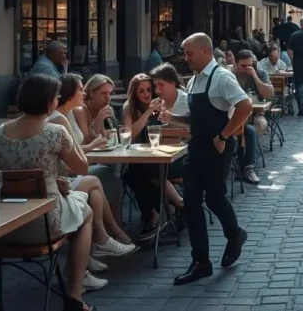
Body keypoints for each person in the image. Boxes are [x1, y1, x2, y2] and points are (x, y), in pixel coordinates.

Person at [0, 75, 134, 308]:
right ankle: (76, 293)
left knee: (82, 199)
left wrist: (53, 178)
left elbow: (6, 172)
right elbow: (82, 168)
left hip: (5, 225)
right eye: (56, 97)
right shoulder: (55, 131)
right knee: (86, 212)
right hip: (44, 223)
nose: (58, 100)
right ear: (49, 101)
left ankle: (90, 260)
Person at [174, 34, 251, 286]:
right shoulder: (194, 80)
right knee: (191, 202)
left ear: (205, 51)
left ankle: (235, 234)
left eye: (189, 53)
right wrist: (171, 118)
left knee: (215, 198)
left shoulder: (222, 77)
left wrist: (224, 136)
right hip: (196, 147)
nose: (186, 58)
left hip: (217, 147)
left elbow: (245, 106)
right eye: (185, 53)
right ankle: (201, 262)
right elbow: (195, 118)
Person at [49, 74, 133, 250]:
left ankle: (102, 242)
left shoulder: (66, 114)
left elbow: (79, 146)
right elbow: (76, 153)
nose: (84, 93)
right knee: (104, 177)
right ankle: (113, 234)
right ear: (70, 94)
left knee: (99, 185)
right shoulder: (62, 117)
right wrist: (92, 145)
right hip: (65, 175)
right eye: (81, 90)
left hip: (68, 171)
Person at [120, 71, 186, 241]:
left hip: (169, 157)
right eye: (141, 91)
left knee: (138, 173)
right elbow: (129, 135)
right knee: (134, 173)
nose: (147, 94)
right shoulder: (130, 107)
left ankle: (156, 215)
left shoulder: (160, 104)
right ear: (134, 93)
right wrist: (147, 112)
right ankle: (175, 207)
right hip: (142, 159)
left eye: (149, 89)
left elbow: (174, 132)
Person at [231, 50, 271, 184]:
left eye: (250, 65)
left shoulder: (260, 73)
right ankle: (241, 165)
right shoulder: (229, 76)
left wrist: (255, 76)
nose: (247, 68)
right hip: (233, 116)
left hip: (255, 115)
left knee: (252, 129)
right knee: (244, 130)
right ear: (236, 64)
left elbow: (269, 94)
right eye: (243, 66)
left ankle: (248, 168)